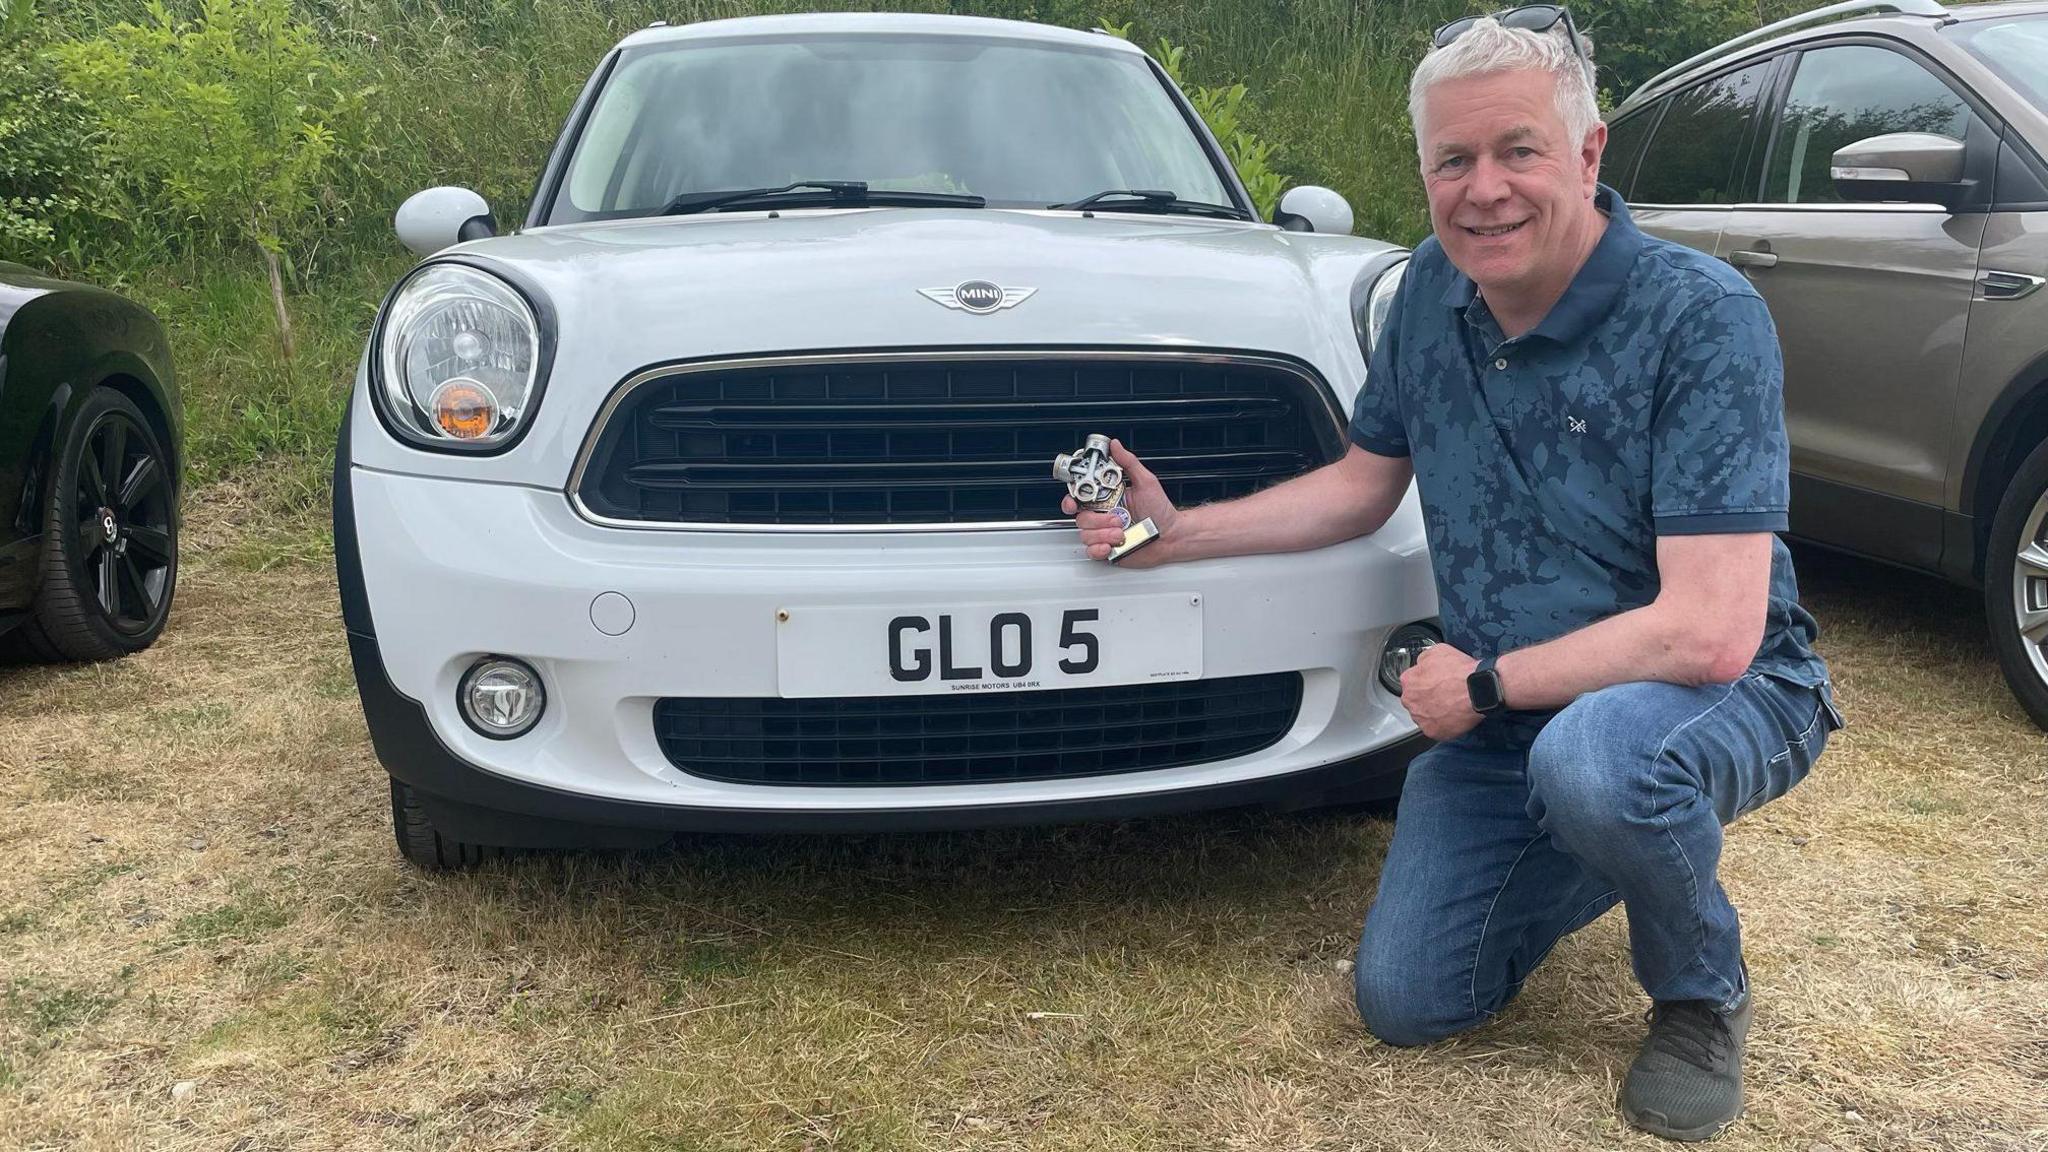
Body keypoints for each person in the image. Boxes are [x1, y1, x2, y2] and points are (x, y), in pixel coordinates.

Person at [1063, 8, 1843, 1142]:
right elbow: (1357, 486)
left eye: (1517, 150)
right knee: (1409, 1000)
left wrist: (1477, 688)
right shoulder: (1427, 291)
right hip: (1515, 718)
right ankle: (1612, 827)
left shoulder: (1700, 319)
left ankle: (1696, 994)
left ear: (1586, 153)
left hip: (1722, 695)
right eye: (1451, 159)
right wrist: (1170, 533)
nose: (1483, 190)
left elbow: (1709, 633)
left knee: (1600, 762)